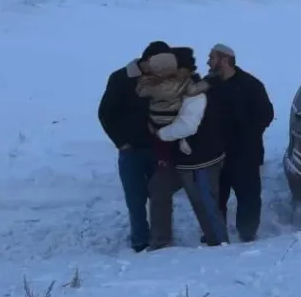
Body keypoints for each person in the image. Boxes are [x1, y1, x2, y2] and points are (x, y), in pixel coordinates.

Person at [146, 47, 230, 249]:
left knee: (204, 204)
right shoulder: (175, 86)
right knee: (158, 189)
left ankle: (220, 247)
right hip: (179, 157)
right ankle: (160, 242)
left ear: (182, 69)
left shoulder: (194, 91)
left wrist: (159, 134)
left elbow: (188, 126)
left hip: (200, 160)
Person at [98, 40, 171, 252]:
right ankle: (140, 239)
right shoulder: (120, 78)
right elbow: (106, 113)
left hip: (159, 148)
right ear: (146, 60)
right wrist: (121, 142)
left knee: (160, 196)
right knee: (135, 198)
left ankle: (161, 239)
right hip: (131, 151)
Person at [206, 43, 275, 243]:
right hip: (215, 155)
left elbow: (266, 115)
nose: (208, 61)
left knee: (248, 198)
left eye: (212, 57)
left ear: (225, 59)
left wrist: (245, 135)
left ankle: (247, 234)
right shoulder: (209, 85)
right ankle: (216, 235)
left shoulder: (251, 85)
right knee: (215, 198)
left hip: (245, 155)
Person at [134, 51, 211, 165]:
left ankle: (165, 158)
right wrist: (206, 84)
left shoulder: (149, 83)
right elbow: (192, 90)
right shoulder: (180, 85)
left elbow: (187, 126)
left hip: (157, 122)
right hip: (168, 124)